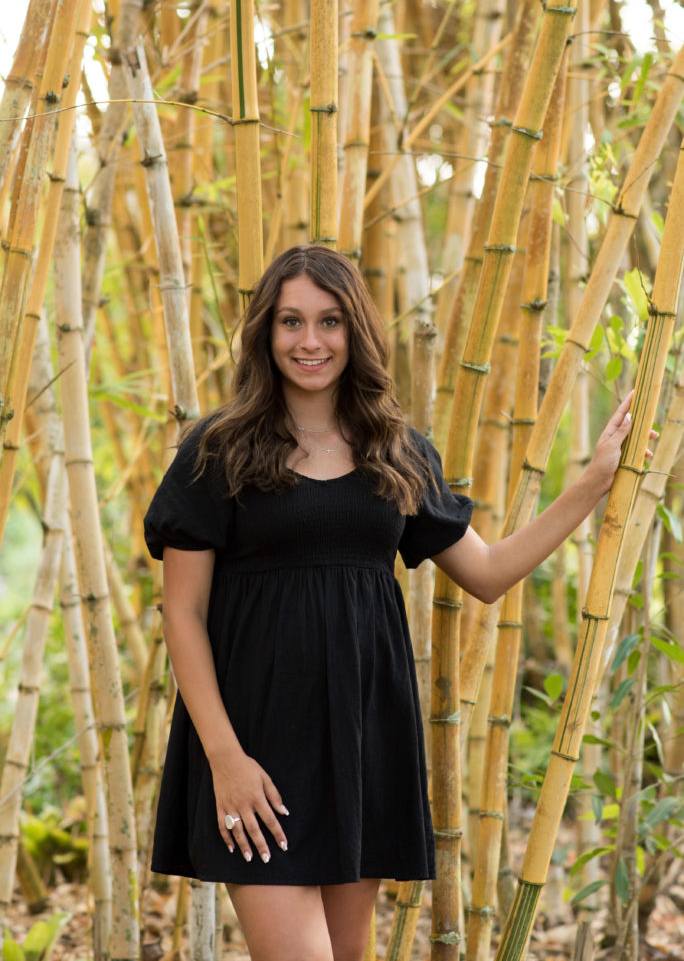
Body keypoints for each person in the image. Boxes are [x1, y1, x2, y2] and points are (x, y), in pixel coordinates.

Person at [144, 245, 646, 961]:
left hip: (361, 738)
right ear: (266, 332)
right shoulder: (216, 451)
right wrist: (225, 757)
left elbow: (489, 570)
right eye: (291, 322)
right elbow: (182, 615)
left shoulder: (396, 451)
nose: (309, 341)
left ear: (356, 333)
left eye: (329, 321)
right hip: (254, 745)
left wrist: (594, 482)